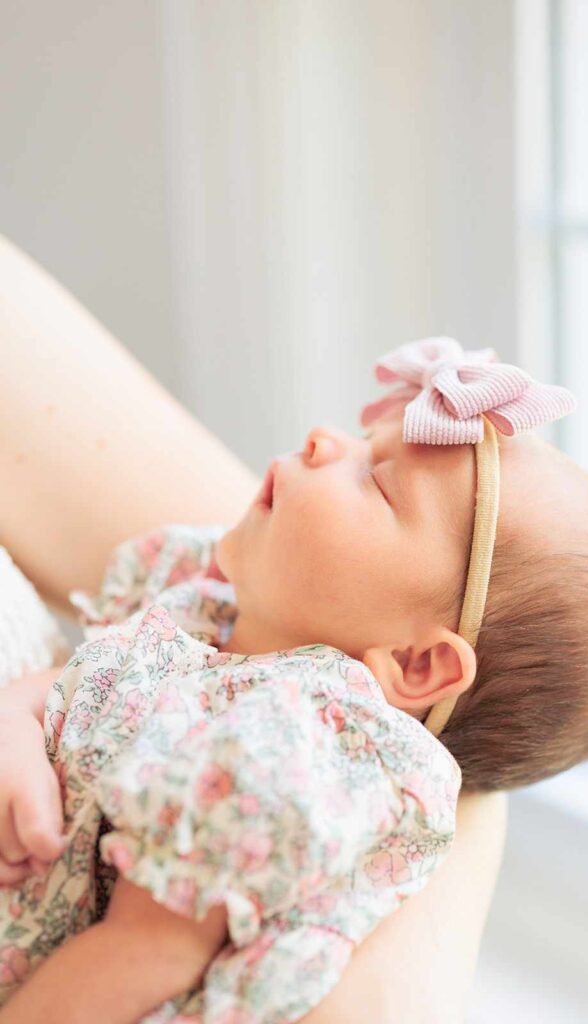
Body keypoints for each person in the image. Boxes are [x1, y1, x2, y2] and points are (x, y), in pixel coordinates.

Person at [0, 235, 508, 1023]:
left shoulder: (289, 747)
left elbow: (143, 955)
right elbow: (90, 673)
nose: (320, 440)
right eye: (362, 439)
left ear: (413, 663)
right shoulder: (212, 610)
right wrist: (15, 719)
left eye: (372, 481)